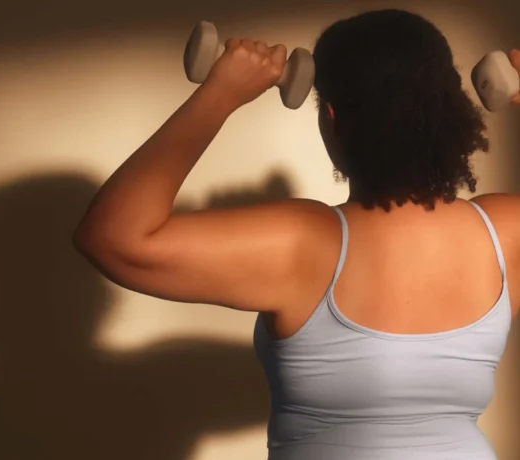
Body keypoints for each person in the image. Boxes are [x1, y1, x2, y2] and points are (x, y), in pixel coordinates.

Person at [74, 8, 520, 460]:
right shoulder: (503, 234)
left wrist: (221, 93)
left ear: (332, 118)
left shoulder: (303, 241)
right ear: (451, 111)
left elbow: (112, 236)